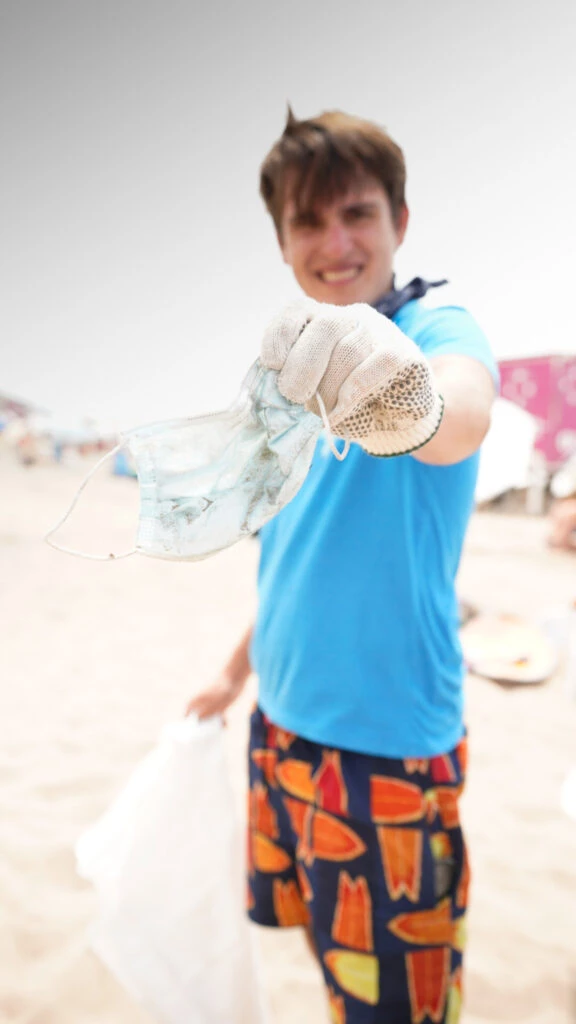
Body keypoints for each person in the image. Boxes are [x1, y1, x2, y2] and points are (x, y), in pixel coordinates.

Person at [187, 109, 497, 1023]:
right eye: (307, 222)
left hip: (388, 747)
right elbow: (296, 553)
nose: (336, 241)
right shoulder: (293, 374)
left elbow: (466, 409)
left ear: (400, 218)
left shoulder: (436, 326)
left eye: (357, 213)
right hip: (280, 729)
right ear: (281, 241)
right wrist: (231, 674)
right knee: (333, 962)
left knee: (396, 1003)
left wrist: (410, 402)